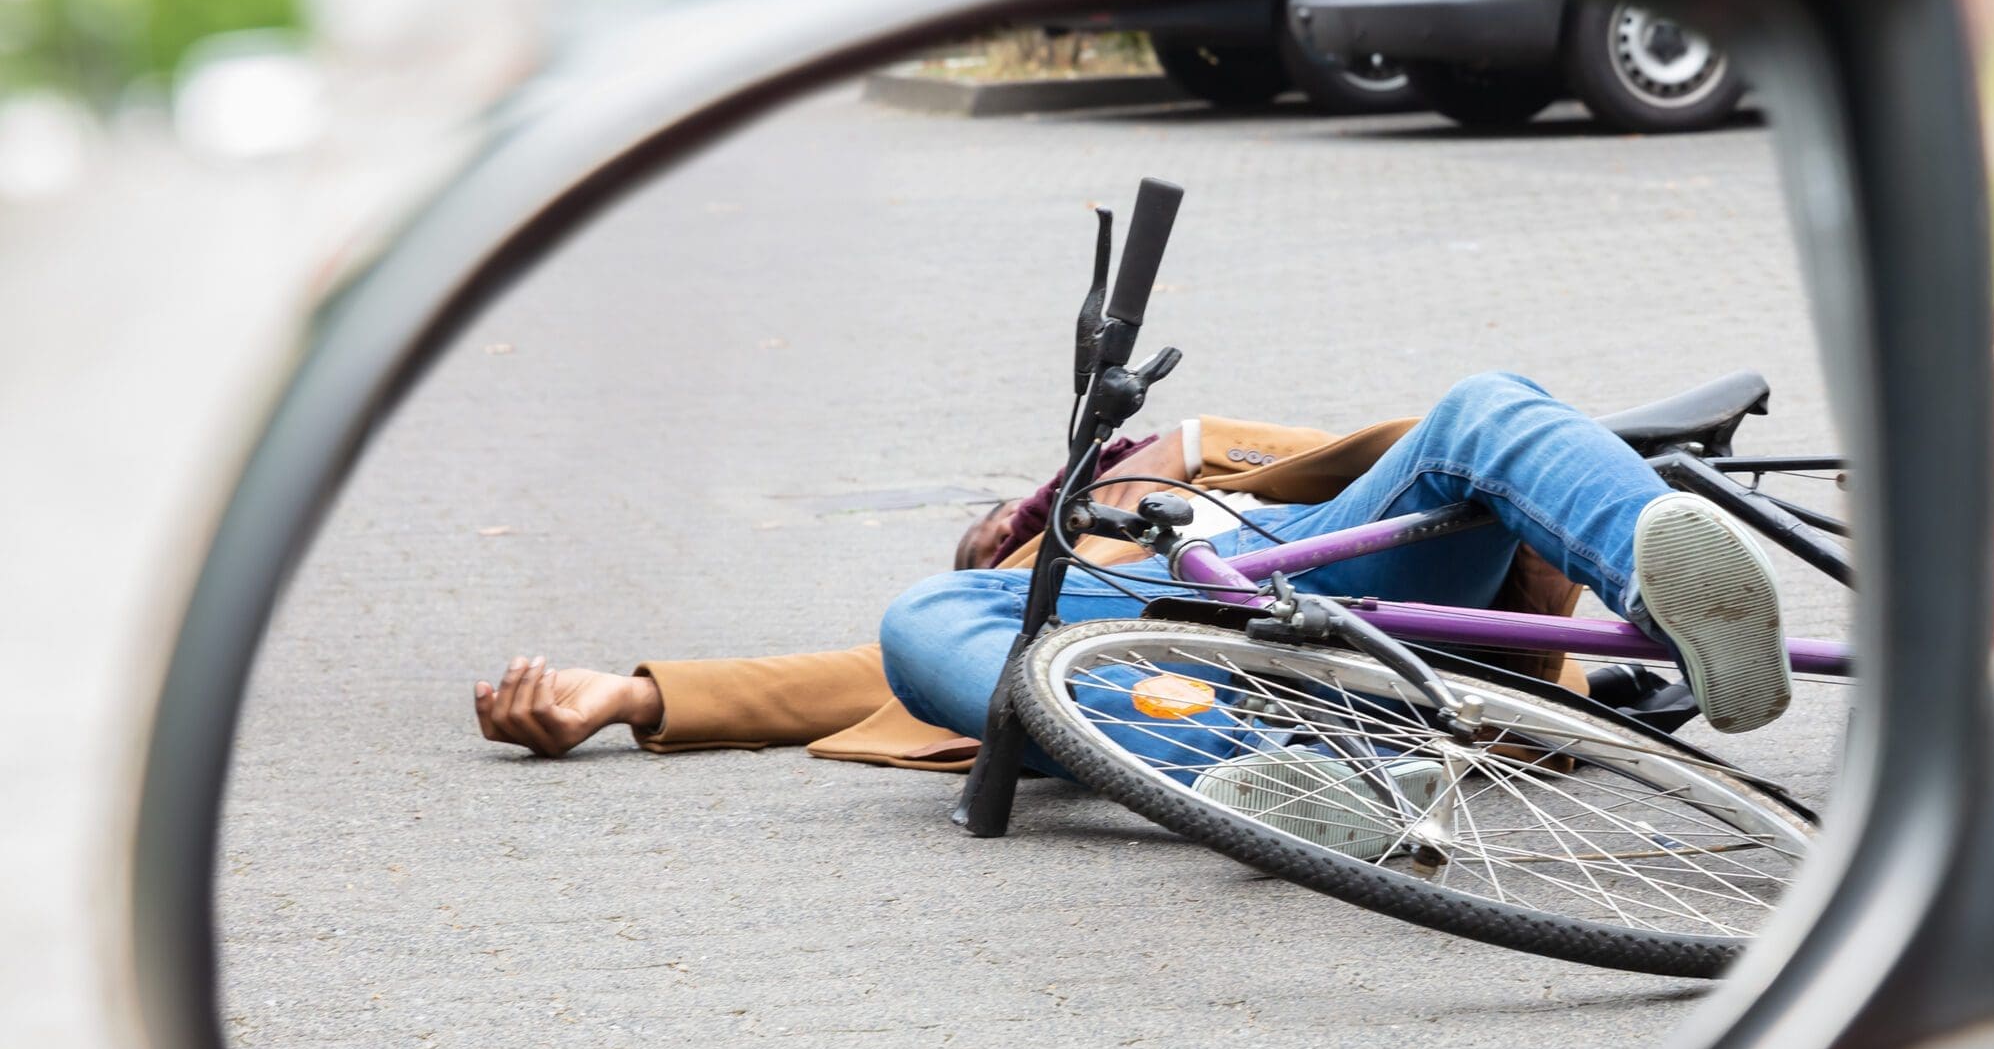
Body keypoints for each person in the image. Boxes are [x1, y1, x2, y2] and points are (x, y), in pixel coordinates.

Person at [473, 372, 1790, 781]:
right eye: (991, 525)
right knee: (910, 622)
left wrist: (1166, 467)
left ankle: (1686, 591)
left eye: (1011, 511)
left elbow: (1392, 466)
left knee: (1491, 402)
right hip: (1153, 653)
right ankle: (1237, 766)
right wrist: (627, 695)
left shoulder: (1198, 457)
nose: (997, 522)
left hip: (1320, 563)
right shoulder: (1006, 597)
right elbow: (827, 681)